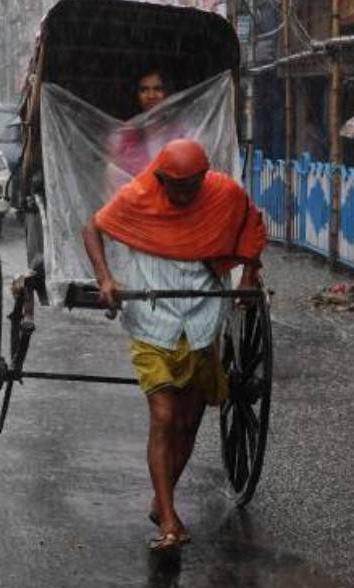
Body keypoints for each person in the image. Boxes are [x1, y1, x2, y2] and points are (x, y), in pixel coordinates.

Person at [82, 139, 267, 553]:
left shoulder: (225, 195)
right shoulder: (137, 196)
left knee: (188, 420)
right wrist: (105, 279)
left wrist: (249, 276)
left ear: (204, 179)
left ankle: (160, 499)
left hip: (204, 316)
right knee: (164, 415)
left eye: (193, 186)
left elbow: (251, 228)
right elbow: (92, 227)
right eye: (177, 187)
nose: (185, 195)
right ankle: (169, 520)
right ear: (161, 179)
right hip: (152, 320)